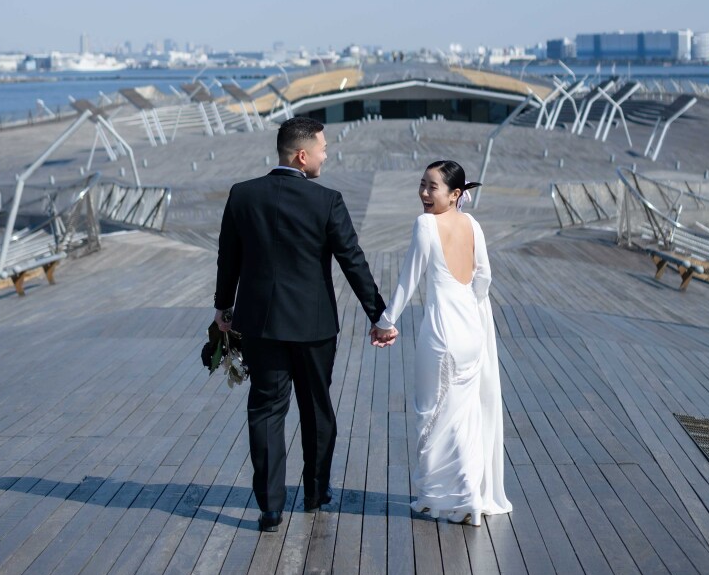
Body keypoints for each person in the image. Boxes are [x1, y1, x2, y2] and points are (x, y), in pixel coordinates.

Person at [213, 116, 392, 533]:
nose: (326, 154)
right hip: (314, 328)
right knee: (316, 408)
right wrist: (379, 315)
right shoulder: (326, 200)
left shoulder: (242, 196)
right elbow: (353, 261)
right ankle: (314, 493)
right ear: (301, 154)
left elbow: (228, 259)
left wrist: (224, 309)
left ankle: (270, 507)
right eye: (323, 148)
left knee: (265, 410)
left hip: (260, 324)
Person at [371, 160, 512, 525]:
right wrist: (468, 303)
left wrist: (385, 323)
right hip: (471, 333)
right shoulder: (473, 225)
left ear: (455, 195)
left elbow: (407, 281)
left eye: (432, 187)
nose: (423, 193)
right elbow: (484, 277)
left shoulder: (425, 225)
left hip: (441, 334)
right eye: (422, 185)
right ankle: (466, 497)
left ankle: (460, 499)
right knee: (463, 417)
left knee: (432, 415)